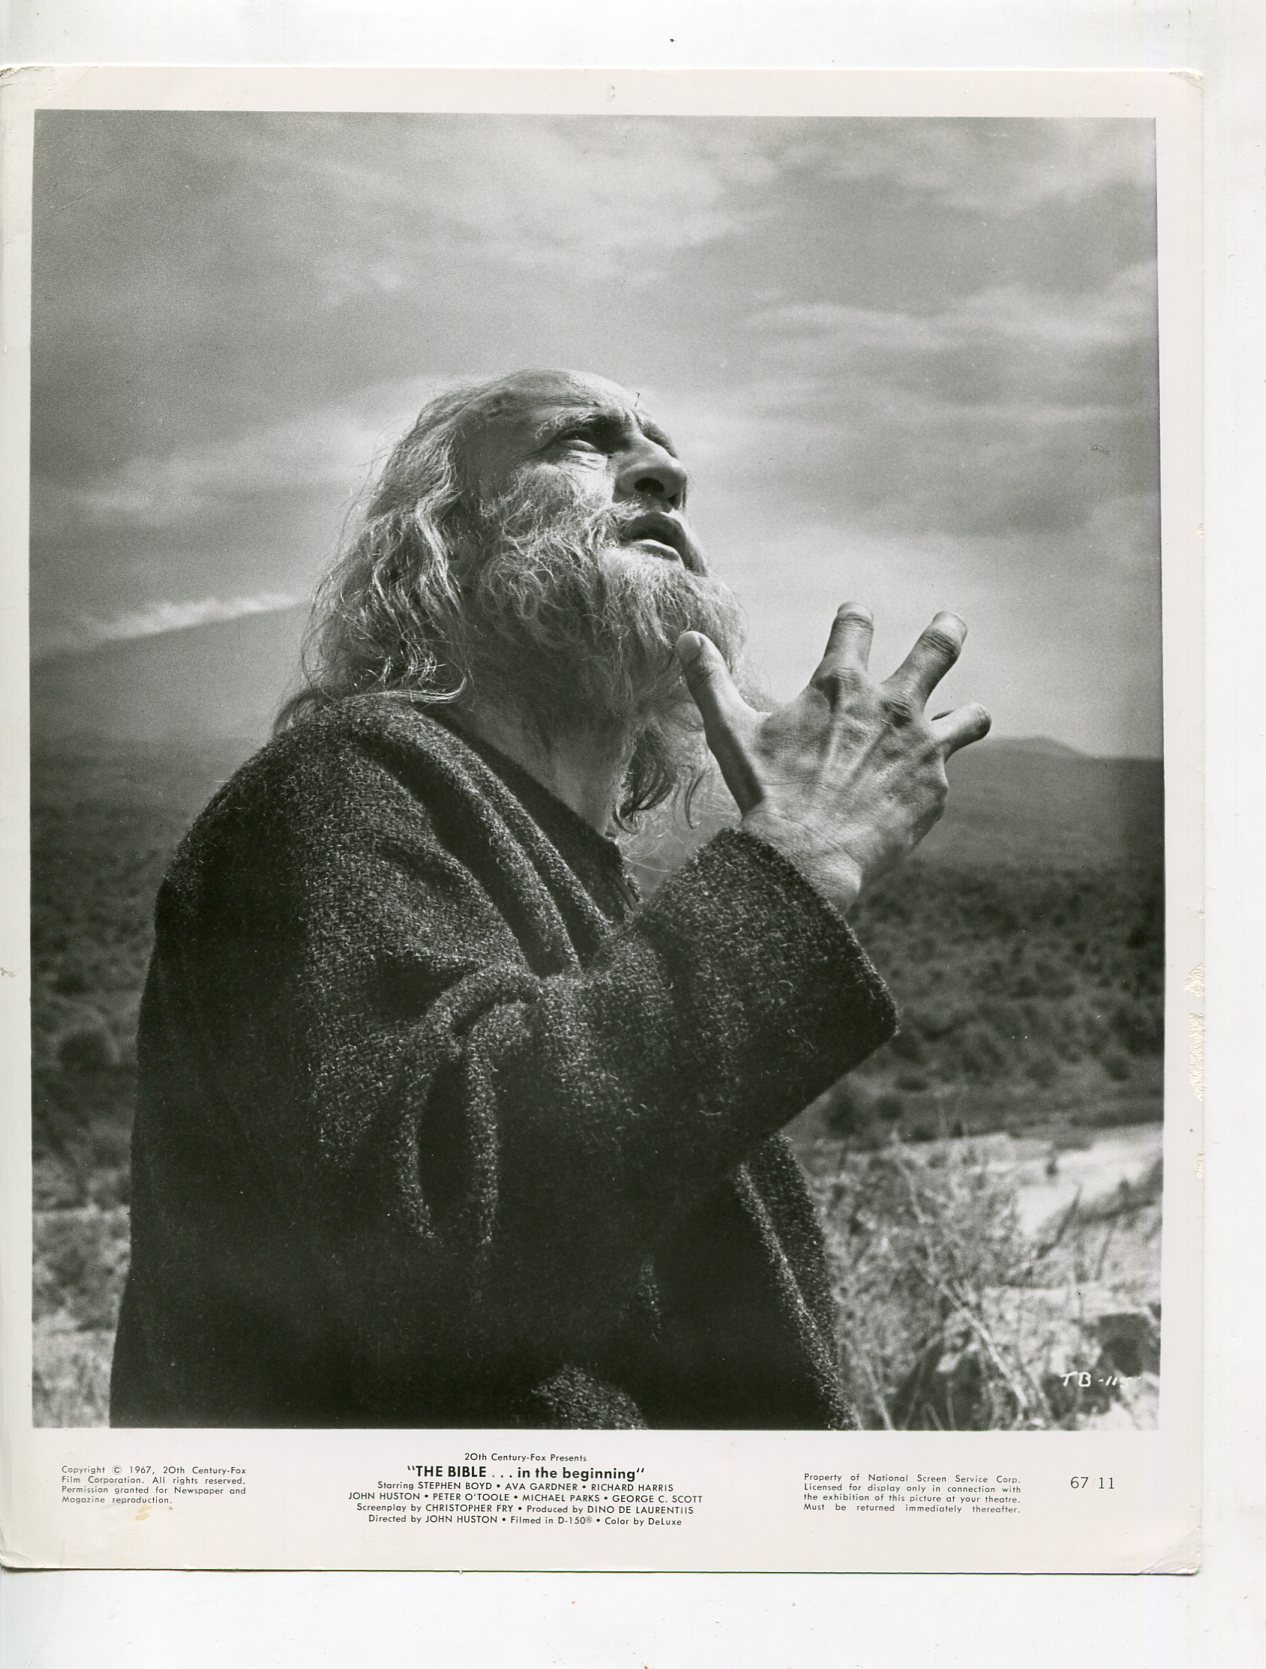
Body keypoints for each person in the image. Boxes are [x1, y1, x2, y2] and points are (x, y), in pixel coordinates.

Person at [109, 369, 990, 1430]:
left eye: (667, 454)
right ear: (450, 536)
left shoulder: (578, 869)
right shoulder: (334, 788)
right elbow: (441, 1231)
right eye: (583, 439)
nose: (664, 472)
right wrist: (799, 865)